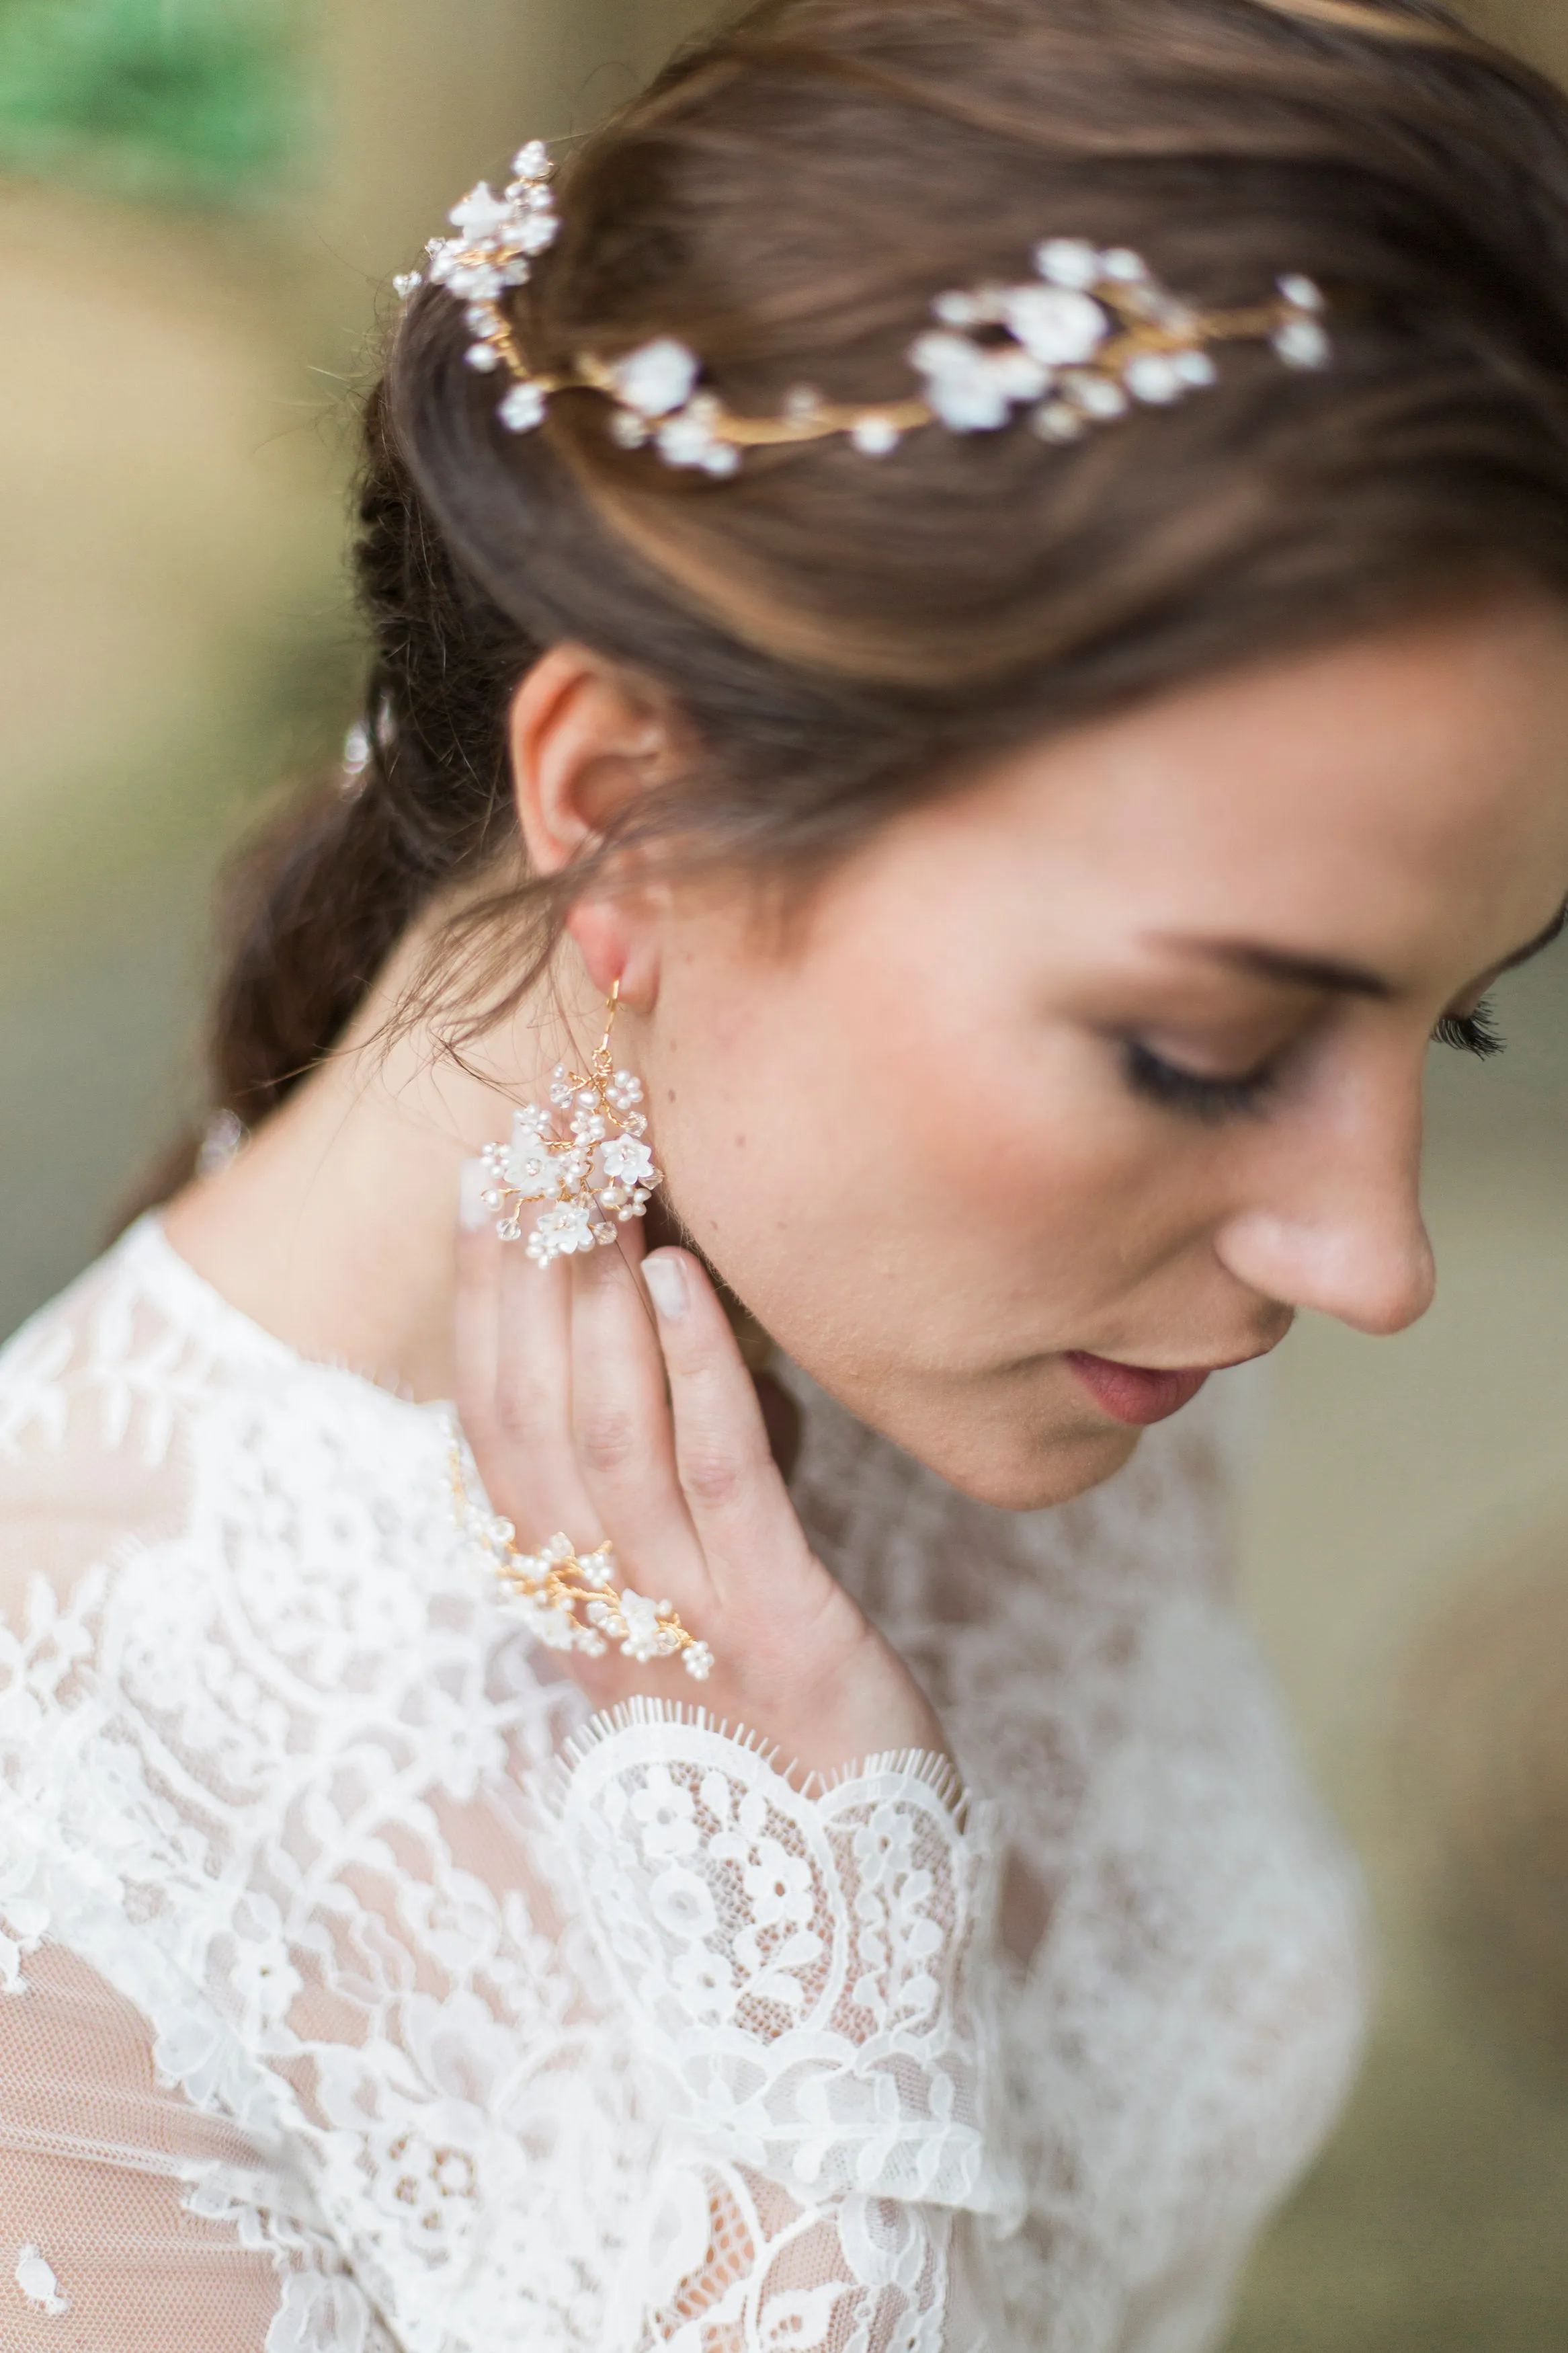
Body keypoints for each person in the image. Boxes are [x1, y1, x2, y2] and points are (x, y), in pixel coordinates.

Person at [4, 0, 1568, 2344]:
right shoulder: (73, 1843)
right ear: (623, 798)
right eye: (1201, 1046)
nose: (1366, 1255)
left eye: (1440, 1011)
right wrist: (810, 2014)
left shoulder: (1033, 1321)